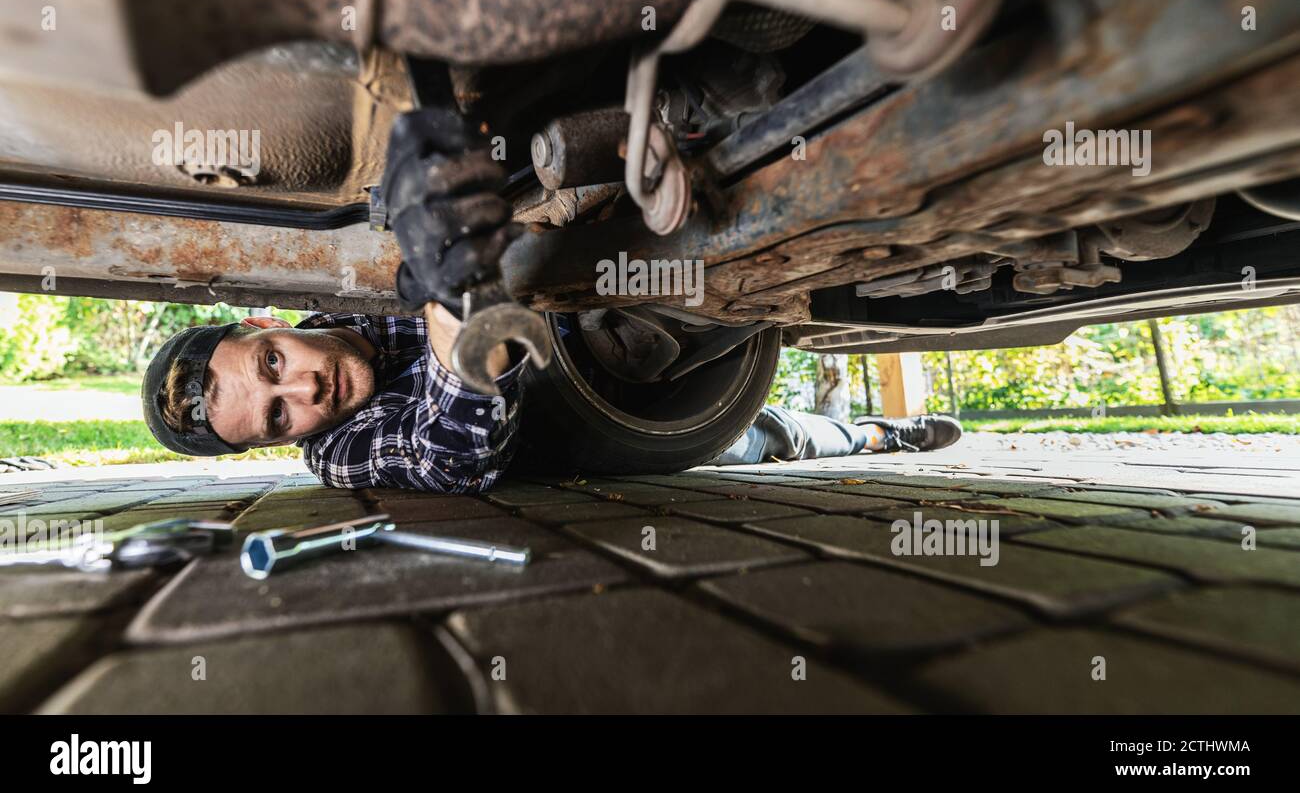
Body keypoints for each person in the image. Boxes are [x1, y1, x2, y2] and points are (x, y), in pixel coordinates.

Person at [141, 111, 961, 492]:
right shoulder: (336, 455)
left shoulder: (338, 304)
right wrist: (451, 285)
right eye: (279, 417)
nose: (304, 392)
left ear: (263, 324)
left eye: (273, 366)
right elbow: (451, 455)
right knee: (771, 440)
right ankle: (880, 434)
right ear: (280, 445)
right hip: (629, 407)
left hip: (602, 292)